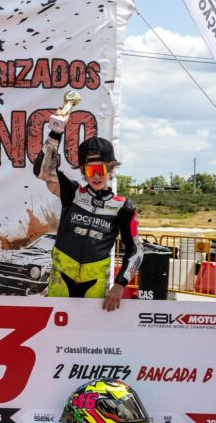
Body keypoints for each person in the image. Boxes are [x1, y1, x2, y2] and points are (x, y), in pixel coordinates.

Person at [33, 115, 142, 310]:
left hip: (95, 288)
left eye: (101, 169)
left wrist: (120, 284)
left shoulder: (123, 208)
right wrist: (55, 132)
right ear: (83, 172)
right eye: (90, 171)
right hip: (60, 282)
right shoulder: (72, 193)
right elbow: (43, 172)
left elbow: (136, 251)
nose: (96, 176)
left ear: (110, 169)